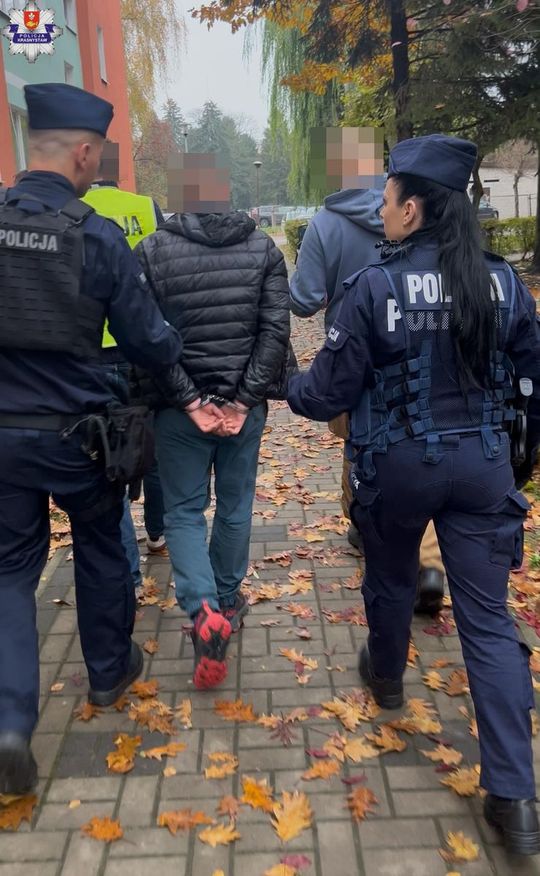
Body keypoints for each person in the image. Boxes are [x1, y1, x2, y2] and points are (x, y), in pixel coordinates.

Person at [288, 134, 540, 855]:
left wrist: (286, 386)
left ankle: (388, 677)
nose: (381, 208)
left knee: (393, 579)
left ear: (413, 208)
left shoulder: (375, 286)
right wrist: (522, 454)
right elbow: (534, 372)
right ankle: (516, 800)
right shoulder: (503, 283)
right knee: (488, 622)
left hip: (397, 468)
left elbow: (327, 392)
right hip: (485, 467)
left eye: (389, 196)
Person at [0, 83, 185, 795]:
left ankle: (11, 723)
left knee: (9, 571)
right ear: (82, 153)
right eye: (98, 157)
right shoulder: (96, 235)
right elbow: (148, 339)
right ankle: (108, 673)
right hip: (80, 438)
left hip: (3, 439)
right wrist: (179, 367)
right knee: (101, 547)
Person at [136, 160, 291, 690]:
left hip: (179, 412)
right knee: (235, 504)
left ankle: (202, 609)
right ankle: (226, 599)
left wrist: (188, 399)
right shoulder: (264, 251)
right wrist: (244, 402)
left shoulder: (153, 251)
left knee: (182, 510)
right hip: (243, 411)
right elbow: (275, 332)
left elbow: (147, 336)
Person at [290, 132, 445, 613]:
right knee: (421, 439)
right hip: (417, 341)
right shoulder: (410, 206)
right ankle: (429, 560)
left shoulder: (324, 224)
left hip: (352, 354)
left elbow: (303, 300)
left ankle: (362, 523)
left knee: (358, 444)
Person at [83, 148, 166, 560]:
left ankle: (126, 561)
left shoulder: (73, 211)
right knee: (153, 447)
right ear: (118, 170)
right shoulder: (145, 208)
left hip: (92, 350)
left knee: (107, 451)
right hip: (141, 343)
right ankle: (157, 532)